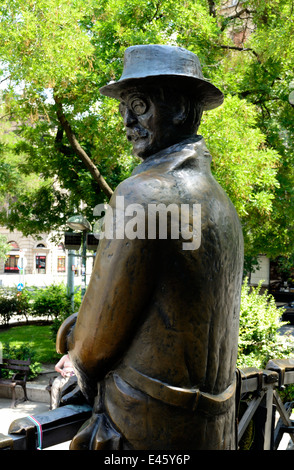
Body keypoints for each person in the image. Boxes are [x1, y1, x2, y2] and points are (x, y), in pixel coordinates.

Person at [56, 45, 244, 450]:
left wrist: (74, 347)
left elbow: (95, 343)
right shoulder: (220, 202)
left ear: (178, 108)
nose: (126, 121)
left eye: (139, 106)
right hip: (212, 428)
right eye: (124, 108)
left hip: (144, 429)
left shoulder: (143, 195)